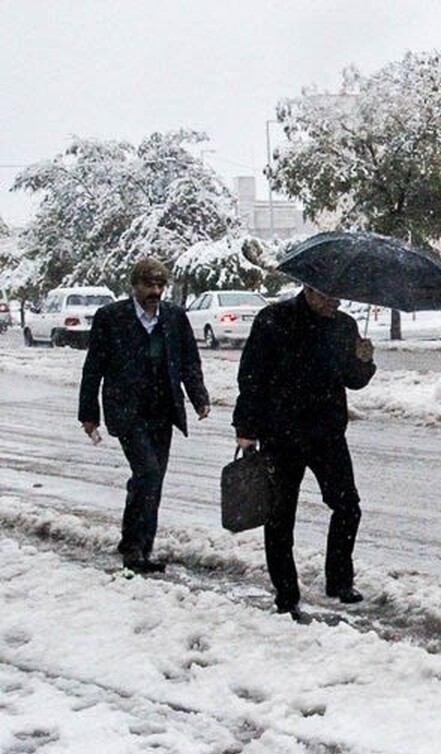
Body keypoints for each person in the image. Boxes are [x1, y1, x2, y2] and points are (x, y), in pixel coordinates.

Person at [233, 284, 376, 614]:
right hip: (281, 433)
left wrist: (363, 361)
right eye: (329, 296)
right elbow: (252, 376)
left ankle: (339, 580)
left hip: (327, 432)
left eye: (339, 297)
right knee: (280, 518)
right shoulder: (274, 319)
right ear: (309, 290)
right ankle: (287, 594)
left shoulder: (344, 325)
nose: (335, 302)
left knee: (347, 506)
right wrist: (246, 429)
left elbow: (352, 379)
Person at [78, 258, 211, 573]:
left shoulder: (175, 318)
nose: (155, 291)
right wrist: (88, 413)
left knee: (152, 479)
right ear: (134, 286)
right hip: (127, 410)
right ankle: (134, 547)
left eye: (160, 285)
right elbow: (93, 367)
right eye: (148, 285)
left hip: (163, 409)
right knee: (148, 472)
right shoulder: (111, 317)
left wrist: (199, 397)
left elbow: (189, 361)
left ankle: (140, 545)